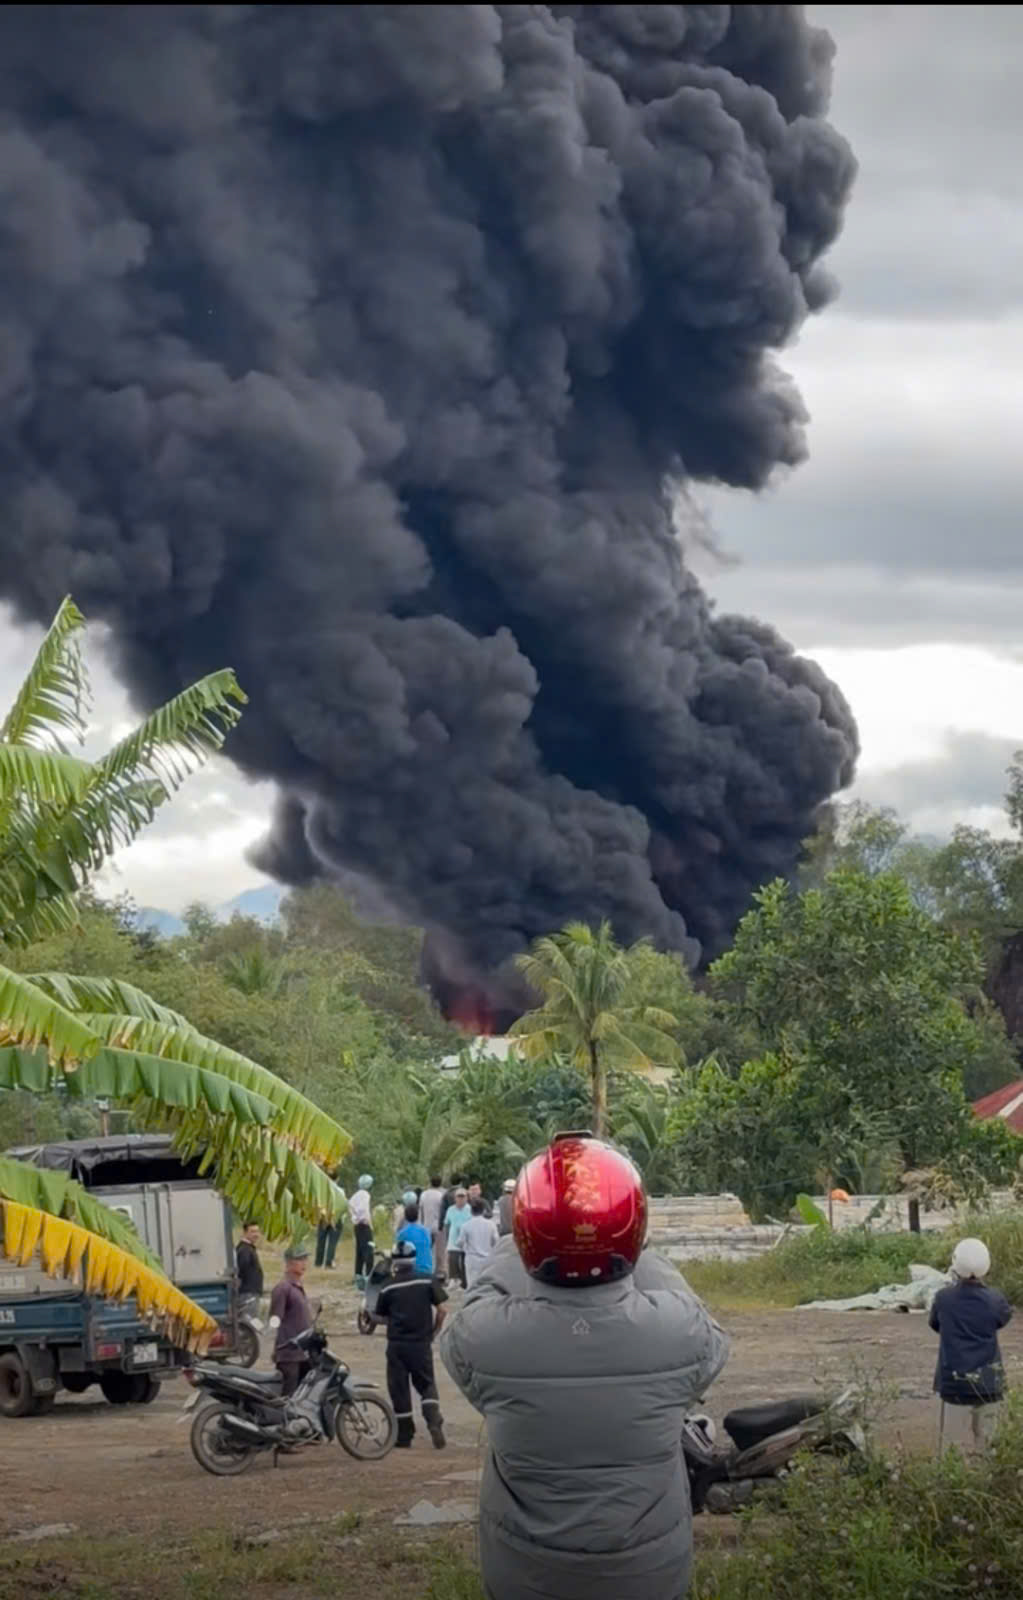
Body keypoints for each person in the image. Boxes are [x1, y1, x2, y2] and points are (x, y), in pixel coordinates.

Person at [441, 1133, 729, 1600]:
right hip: (649, 1578)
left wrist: (518, 1243)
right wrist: (638, 1248)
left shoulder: (485, 1339)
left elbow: (477, 1301)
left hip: (525, 1578)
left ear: (524, 1229)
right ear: (636, 1226)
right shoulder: (680, 1331)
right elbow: (700, 1323)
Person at [930, 1236, 1012, 1453]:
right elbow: (1002, 1320)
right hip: (988, 1382)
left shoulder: (943, 1298)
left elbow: (935, 1324)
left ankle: (950, 1487)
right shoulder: (995, 1300)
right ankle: (989, 1486)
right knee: (989, 1448)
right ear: (987, 1264)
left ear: (956, 1264)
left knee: (950, 1450)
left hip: (954, 1383)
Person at [374, 1239, 448, 1449]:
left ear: (395, 1262)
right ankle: (433, 1420)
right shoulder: (427, 1281)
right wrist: (434, 1331)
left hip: (397, 1346)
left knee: (399, 1389)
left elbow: (381, 1318)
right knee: (426, 1385)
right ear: (414, 1260)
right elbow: (443, 1310)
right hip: (421, 1344)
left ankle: (404, 1436)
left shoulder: (388, 1287)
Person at [269, 1242, 314, 1396]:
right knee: (288, 1396)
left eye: (305, 1259)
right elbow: (275, 1320)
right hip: (289, 1354)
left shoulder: (297, 1287)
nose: (304, 1263)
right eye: (299, 1260)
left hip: (302, 1352)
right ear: (288, 1263)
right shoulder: (283, 1288)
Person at [461, 1196, 499, 1288]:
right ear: (483, 1210)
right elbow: (496, 1241)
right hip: (487, 1258)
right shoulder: (491, 1224)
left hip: (471, 1258)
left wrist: (465, 1248)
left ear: (471, 1211)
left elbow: (460, 1242)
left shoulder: (466, 1225)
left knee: (471, 1284)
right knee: (485, 1285)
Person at [349, 1174, 375, 1289]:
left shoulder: (355, 1195)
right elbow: (363, 1210)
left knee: (359, 1251)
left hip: (357, 1226)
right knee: (368, 1251)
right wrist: (366, 1221)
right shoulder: (365, 1195)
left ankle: (358, 1275)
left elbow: (350, 1207)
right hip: (364, 1225)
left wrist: (354, 1218)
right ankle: (369, 1276)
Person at [419, 1175, 448, 1277]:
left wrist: (421, 1224)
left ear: (430, 1183)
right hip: (439, 1226)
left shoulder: (424, 1195)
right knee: (440, 1251)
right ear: (440, 1183)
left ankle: (427, 1270)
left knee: (427, 1250)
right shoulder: (442, 1195)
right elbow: (443, 1211)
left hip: (426, 1226)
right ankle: (440, 1272)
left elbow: (421, 1211)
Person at [444, 1186, 471, 1289]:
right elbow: (447, 1224)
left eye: (462, 1197)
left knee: (465, 1261)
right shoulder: (450, 1209)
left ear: (466, 1198)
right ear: (455, 1198)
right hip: (453, 1238)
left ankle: (464, 1282)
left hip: (466, 1239)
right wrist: (447, 1239)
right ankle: (453, 1279)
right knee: (453, 1260)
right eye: (458, 1197)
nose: (460, 1199)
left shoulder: (469, 1209)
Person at [396, 1202, 433, 1275]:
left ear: (405, 1216)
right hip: (428, 1270)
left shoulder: (402, 1234)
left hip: (412, 1272)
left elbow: (399, 1252)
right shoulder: (426, 1231)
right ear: (418, 1216)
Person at [235, 1220, 264, 1307]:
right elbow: (242, 1269)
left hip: (250, 1292)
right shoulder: (245, 1250)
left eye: (257, 1231)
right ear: (245, 1233)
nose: (256, 1234)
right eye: (252, 1232)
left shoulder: (248, 1248)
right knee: (249, 1318)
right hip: (248, 1293)